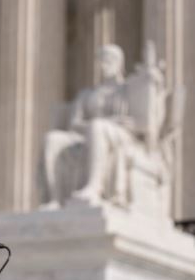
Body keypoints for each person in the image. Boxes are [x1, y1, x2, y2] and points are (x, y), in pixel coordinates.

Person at [41, 44, 138, 209]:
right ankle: (55, 199)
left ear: (119, 63)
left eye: (108, 60)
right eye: (101, 61)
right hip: (85, 134)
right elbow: (74, 123)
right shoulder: (87, 94)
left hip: (119, 136)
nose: (103, 65)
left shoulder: (128, 90)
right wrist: (93, 125)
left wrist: (106, 123)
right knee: (52, 139)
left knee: (97, 126)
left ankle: (95, 187)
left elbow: (134, 122)